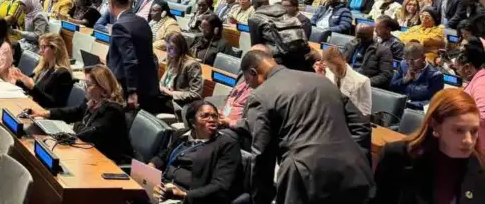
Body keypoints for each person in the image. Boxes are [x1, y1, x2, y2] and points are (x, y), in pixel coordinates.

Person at [241, 48, 373, 204]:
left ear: (254, 72)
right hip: (353, 171)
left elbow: (262, 155)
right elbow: (362, 124)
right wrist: (356, 155)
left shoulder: (261, 96)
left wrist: (261, 199)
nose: (250, 87)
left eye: (248, 81)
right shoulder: (321, 80)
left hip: (305, 180)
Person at [373, 88, 485, 204]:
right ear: (435, 126)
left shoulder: (480, 167)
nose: (468, 140)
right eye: (458, 130)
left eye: (473, 131)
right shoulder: (397, 157)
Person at [23, 65, 133, 164]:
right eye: (85, 83)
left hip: (109, 161)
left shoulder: (112, 111)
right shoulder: (93, 101)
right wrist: (46, 113)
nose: (85, 88)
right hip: (89, 152)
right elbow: (75, 112)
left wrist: (72, 127)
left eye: (89, 85)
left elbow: (89, 133)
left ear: (103, 88)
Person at [150, 100, 242, 204]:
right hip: (162, 189)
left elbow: (220, 186)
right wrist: (151, 165)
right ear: (193, 122)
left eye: (214, 116)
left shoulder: (227, 144)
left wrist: (184, 195)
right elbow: (165, 154)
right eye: (205, 116)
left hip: (189, 198)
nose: (211, 120)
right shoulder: (183, 135)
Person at [104, 0, 162, 112]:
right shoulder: (142, 21)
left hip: (128, 87)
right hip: (148, 85)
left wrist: (131, 91)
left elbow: (129, 60)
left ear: (111, 4)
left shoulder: (119, 26)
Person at [8, 32, 73, 108]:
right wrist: (18, 79)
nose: (40, 51)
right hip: (34, 106)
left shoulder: (63, 74)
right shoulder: (43, 67)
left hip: (45, 113)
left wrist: (32, 86)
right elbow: (33, 90)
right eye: (40, 47)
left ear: (54, 48)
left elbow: (54, 105)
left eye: (43, 47)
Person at [315, 46, 372, 116]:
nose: (336, 71)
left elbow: (366, 112)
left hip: (350, 120)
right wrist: (319, 78)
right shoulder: (327, 73)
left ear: (344, 60)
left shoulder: (362, 81)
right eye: (331, 69)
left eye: (339, 67)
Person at [389, 41, 445, 110]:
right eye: (407, 60)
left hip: (418, 111)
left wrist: (410, 105)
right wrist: (405, 80)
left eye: (413, 60)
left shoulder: (435, 75)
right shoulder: (403, 64)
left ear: (423, 58)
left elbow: (433, 102)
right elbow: (392, 87)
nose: (410, 63)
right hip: (398, 104)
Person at [159, 32, 204, 110]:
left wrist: (170, 93)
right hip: (164, 97)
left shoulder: (191, 65)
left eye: (171, 48)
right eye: (166, 48)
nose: (168, 51)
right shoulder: (171, 59)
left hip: (178, 104)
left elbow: (195, 94)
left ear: (180, 47)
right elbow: (165, 82)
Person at [454, 41, 485, 154]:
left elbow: (483, 116)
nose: (458, 73)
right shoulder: (478, 79)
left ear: (468, 68)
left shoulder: (481, 83)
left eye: (458, 69)